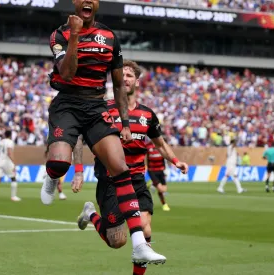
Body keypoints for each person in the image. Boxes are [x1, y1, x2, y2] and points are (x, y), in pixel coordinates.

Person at [40, 1, 165, 264]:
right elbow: (68, 71)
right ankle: (52, 175)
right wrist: (75, 34)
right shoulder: (59, 34)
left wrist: (126, 123)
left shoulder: (109, 37)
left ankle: (140, 244)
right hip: (68, 104)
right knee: (59, 162)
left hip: (96, 106)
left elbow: (118, 84)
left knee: (121, 168)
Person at [73, 60, 189, 272]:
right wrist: (78, 171)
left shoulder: (147, 115)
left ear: (137, 80)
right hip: (110, 181)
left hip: (136, 180)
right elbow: (79, 138)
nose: (124, 79)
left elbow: (160, 144)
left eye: (128, 75)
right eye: (121, 75)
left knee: (145, 227)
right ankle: (90, 213)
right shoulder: (102, 110)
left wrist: (175, 161)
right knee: (116, 241)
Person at [0, 130, 21, 202]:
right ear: (10, 135)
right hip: (7, 162)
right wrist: (14, 162)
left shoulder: (0, 142)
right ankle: (13, 196)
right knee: (13, 178)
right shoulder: (10, 142)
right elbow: (9, 152)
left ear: (5, 135)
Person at [145, 138, 170, 211]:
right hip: (152, 170)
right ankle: (164, 204)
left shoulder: (161, 145)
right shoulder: (148, 146)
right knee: (161, 189)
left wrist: (165, 169)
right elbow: (144, 157)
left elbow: (165, 158)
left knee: (164, 189)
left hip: (161, 170)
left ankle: (151, 184)